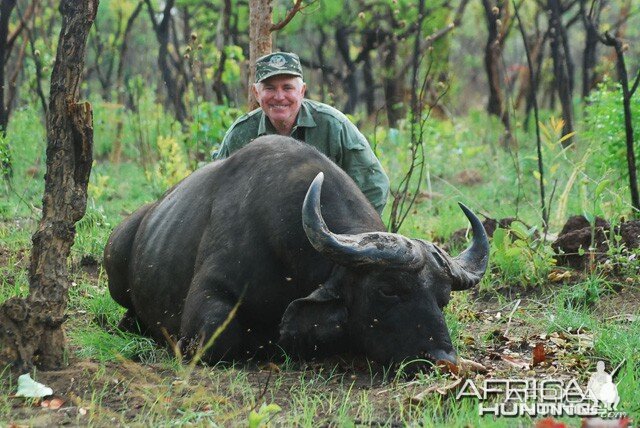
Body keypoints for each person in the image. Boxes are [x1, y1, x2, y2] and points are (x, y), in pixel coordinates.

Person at [214, 51, 389, 215]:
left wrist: (353, 235)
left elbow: (373, 185)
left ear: (302, 91)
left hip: (328, 230)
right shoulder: (241, 134)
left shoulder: (333, 125)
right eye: (270, 88)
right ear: (256, 93)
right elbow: (215, 192)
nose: (279, 96)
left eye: (287, 88)